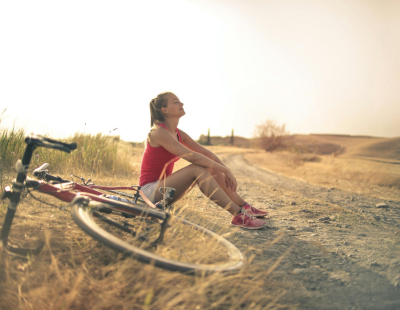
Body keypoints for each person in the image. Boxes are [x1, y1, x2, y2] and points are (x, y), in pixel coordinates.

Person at [139, 91, 268, 230]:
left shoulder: (178, 133)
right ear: (164, 110)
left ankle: (244, 207)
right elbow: (193, 156)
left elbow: (206, 152)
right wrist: (225, 170)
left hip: (166, 192)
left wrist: (226, 171)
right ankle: (238, 215)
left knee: (211, 167)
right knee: (197, 168)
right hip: (148, 193)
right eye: (175, 101)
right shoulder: (158, 132)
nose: (181, 103)